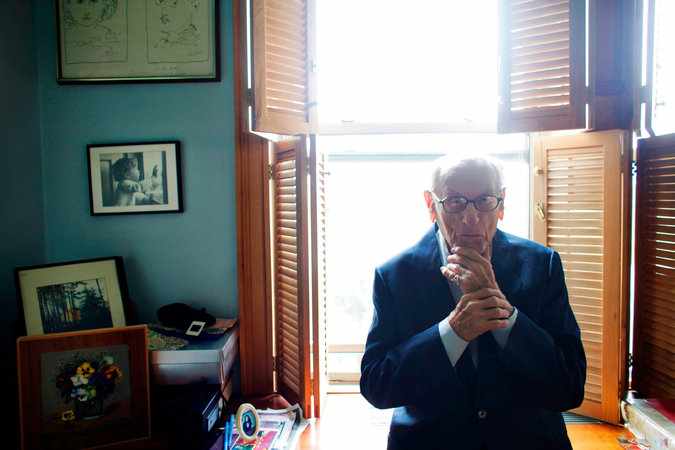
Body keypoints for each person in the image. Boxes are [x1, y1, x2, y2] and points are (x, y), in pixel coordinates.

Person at [360, 155, 586, 450]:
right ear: (431, 205)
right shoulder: (395, 275)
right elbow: (376, 386)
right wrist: (452, 332)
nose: (470, 217)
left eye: (484, 201)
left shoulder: (542, 265)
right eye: (455, 201)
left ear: (501, 204)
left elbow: (570, 386)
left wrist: (504, 315)